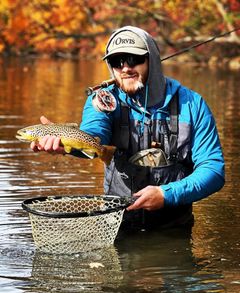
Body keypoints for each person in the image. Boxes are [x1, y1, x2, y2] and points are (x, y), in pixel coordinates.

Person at [31, 26, 225, 230]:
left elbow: (213, 170)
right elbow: (94, 134)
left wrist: (167, 194)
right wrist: (66, 142)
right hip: (117, 225)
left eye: (134, 59)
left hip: (174, 229)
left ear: (152, 60)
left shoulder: (193, 105)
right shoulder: (103, 100)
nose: (125, 68)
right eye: (117, 61)